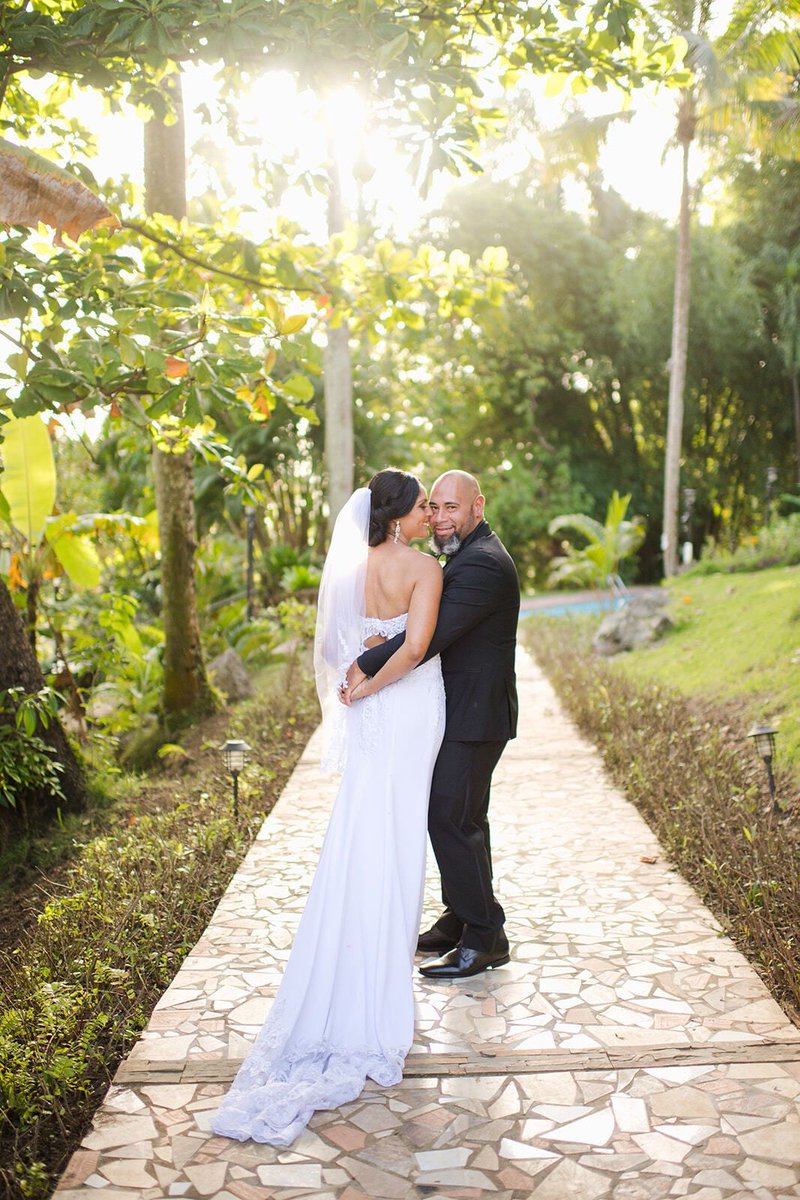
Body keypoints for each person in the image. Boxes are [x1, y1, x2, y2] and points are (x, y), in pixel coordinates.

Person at [211, 468, 445, 1146]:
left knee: (363, 832)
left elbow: (332, 648)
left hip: (372, 714)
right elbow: (419, 646)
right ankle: (380, 1008)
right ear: (400, 514)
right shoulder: (423, 569)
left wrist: (359, 673)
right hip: (402, 709)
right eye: (423, 506)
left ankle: (357, 982)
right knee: (398, 838)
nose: (431, 514)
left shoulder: (350, 567)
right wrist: (373, 683)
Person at [344, 470, 520, 980]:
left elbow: (430, 637)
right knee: (462, 818)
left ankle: (486, 936)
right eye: (433, 507)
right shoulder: (464, 556)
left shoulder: (482, 565)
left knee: (451, 819)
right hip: (463, 710)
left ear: (477, 506)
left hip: (474, 716)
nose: (440, 518)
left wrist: (367, 663)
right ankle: (462, 918)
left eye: (451, 508)